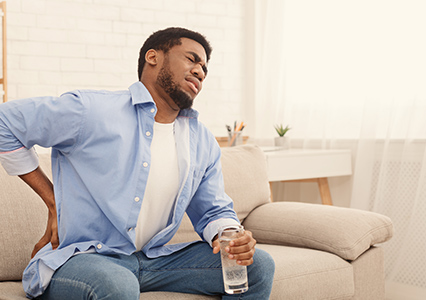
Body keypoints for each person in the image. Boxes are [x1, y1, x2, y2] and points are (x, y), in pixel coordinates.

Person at [0, 27, 275, 299]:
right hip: (85, 258)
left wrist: (231, 236)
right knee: (117, 284)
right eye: (191, 59)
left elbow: (213, 210)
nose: (200, 71)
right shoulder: (92, 110)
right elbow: (5, 122)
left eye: (204, 68)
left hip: (153, 260)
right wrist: (52, 201)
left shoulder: (201, 141)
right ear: (153, 57)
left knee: (258, 267)